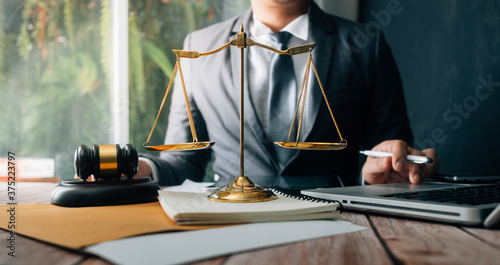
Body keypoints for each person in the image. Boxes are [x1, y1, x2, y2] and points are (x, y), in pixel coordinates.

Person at [137, 0, 439, 188]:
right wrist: (135, 168)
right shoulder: (198, 47)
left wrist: (398, 165)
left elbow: (389, 150)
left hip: (336, 222)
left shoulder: (364, 45)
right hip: (229, 221)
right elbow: (182, 160)